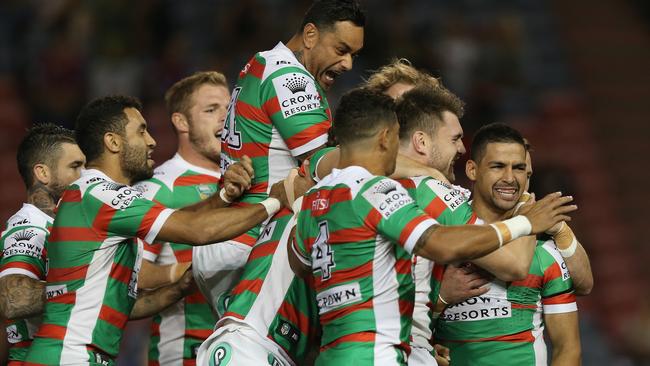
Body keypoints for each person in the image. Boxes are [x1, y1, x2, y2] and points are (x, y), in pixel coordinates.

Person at [289, 88, 576, 365]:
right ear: (389, 138)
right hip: (383, 352)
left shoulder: (316, 197)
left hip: (333, 353)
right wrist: (526, 222)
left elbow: (301, 264)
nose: (462, 147)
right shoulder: (387, 190)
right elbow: (452, 247)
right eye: (455, 139)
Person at [24, 95, 287, 365]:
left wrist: (180, 287)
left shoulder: (97, 199)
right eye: (140, 131)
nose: (151, 141)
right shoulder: (99, 193)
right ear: (113, 142)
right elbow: (196, 231)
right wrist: (276, 200)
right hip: (69, 355)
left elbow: (125, 306)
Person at [194, 0, 365, 320]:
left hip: (232, 237)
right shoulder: (289, 78)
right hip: (253, 242)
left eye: (353, 54)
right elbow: (324, 165)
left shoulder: (263, 63)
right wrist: (384, 150)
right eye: (341, 49)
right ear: (310, 35)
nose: (347, 64)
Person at [434, 123, 581, 365]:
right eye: (498, 166)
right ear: (472, 170)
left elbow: (568, 349)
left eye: (519, 168)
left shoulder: (544, 250)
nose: (510, 178)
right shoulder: (438, 242)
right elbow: (398, 326)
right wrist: (440, 300)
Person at [134, 71, 231, 365]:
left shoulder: (254, 181)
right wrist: (183, 272)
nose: (225, 119)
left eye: (229, 109)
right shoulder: (158, 188)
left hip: (249, 349)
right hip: (187, 353)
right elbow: (131, 274)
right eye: (211, 110)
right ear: (181, 122)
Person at [0, 124, 85, 364]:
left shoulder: (66, 227)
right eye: (75, 166)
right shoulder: (30, 227)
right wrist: (85, 287)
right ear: (43, 173)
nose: (86, 175)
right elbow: (11, 297)